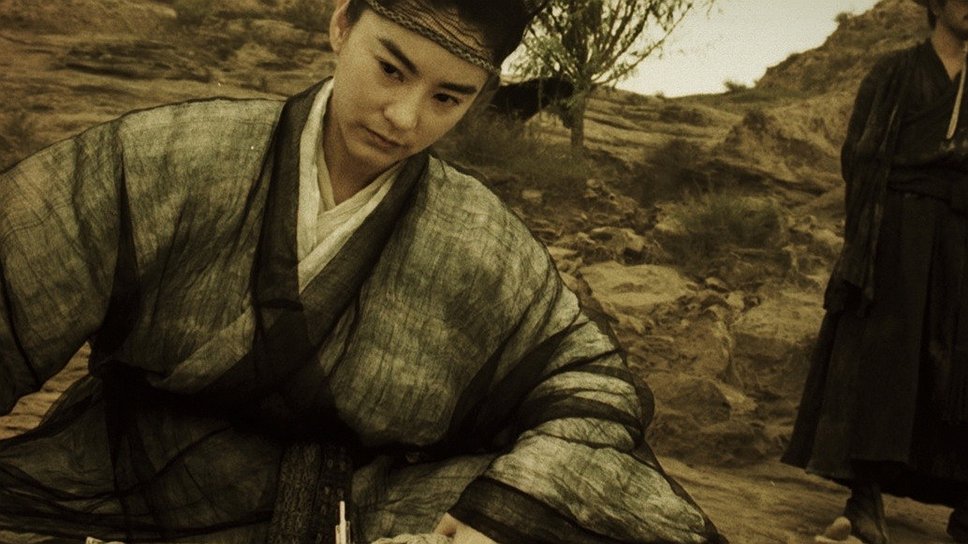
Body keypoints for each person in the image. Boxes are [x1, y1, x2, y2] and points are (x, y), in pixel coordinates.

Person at [0, 0, 726, 543]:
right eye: (391, 69)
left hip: (363, 505)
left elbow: (588, 385)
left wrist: (500, 514)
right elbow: (17, 269)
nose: (405, 118)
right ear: (342, 25)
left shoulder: (474, 233)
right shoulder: (173, 156)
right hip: (124, 482)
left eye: (448, 97)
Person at [783, 0, 968, 542]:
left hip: (962, 237)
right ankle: (864, 499)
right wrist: (872, 237)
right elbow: (859, 156)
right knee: (883, 360)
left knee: (958, 366)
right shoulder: (895, 72)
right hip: (898, 233)